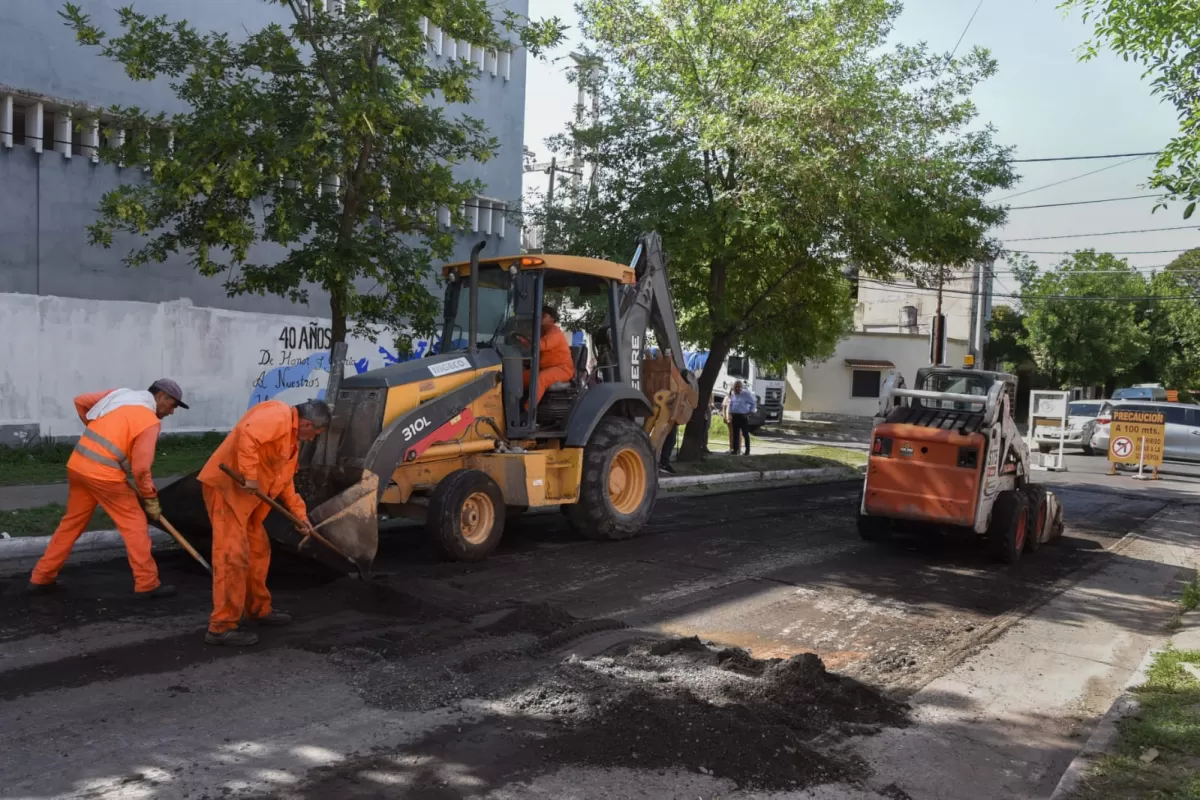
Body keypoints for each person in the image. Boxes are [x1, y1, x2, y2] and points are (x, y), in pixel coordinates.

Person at [29, 379, 189, 598]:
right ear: (162, 397)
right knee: (134, 525)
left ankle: (42, 576)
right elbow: (141, 469)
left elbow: (80, 401)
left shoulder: (120, 395)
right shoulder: (148, 421)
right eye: (173, 405)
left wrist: (97, 428)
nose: (172, 412)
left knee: (71, 525)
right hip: (104, 475)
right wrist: (150, 499)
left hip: (78, 465)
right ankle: (147, 583)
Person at [198, 399, 331, 647]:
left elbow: (285, 482)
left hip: (250, 503)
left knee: (259, 550)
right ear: (307, 423)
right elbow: (247, 435)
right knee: (232, 557)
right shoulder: (278, 414)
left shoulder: (292, 443)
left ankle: (258, 609)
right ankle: (221, 627)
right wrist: (249, 476)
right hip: (228, 492)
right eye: (316, 433)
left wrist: (300, 517)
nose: (313, 439)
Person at [522, 304, 576, 406]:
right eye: (540, 315)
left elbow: (541, 345)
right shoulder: (542, 332)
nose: (540, 318)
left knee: (541, 378)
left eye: (543, 315)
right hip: (545, 367)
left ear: (552, 319)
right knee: (521, 377)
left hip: (562, 369)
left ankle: (528, 411)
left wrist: (525, 341)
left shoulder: (554, 332)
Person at [726, 380, 757, 455]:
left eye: (739, 387)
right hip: (735, 416)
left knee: (745, 434)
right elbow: (731, 404)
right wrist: (730, 413)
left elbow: (753, 403)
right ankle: (735, 450)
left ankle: (747, 451)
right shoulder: (733, 395)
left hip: (743, 416)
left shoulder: (746, 394)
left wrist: (749, 413)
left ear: (741, 387)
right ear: (733, 387)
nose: (737, 388)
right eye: (736, 387)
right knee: (735, 434)